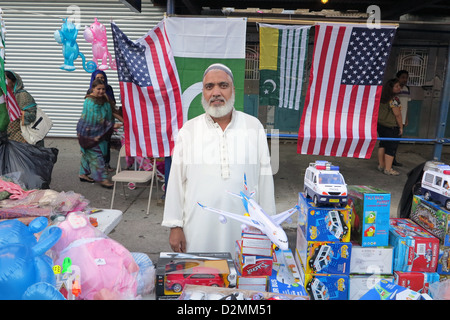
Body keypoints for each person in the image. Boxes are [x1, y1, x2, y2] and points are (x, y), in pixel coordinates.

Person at [161, 63, 276, 254]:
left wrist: (269, 223)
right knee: (202, 278)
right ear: (203, 94)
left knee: (243, 279)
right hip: (198, 228)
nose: (216, 92)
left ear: (233, 91)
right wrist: (175, 226)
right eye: (209, 87)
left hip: (246, 227)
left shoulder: (253, 126)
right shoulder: (188, 130)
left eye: (223, 85)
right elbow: (175, 182)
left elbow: (264, 180)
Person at [77, 79, 122, 188]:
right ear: (93, 89)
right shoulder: (90, 102)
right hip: (89, 134)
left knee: (88, 153)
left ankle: (83, 173)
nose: (101, 91)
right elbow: (95, 119)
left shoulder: (102, 99)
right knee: (97, 156)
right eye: (98, 89)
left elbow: (111, 110)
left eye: (103, 89)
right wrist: (111, 125)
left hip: (98, 132)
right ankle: (102, 179)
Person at [86, 70, 122, 172]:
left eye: (102, 78)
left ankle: (106, 164)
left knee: (106, 142)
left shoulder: (109, 88)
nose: (101, 80)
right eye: (98, 78)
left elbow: (113, 103)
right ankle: (94, 168)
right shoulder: (90, 92)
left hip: (109, 117)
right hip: (98, 122)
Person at [5, 71, 45, 147]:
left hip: (21, 136)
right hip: (7, 136)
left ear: (14, 82)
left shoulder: (23, 96)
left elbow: (32, 115)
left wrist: (16, 112)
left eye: (6, 78)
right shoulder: (4, 97)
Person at [377, 78, 403, 176]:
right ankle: (388, 169)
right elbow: (397, 114)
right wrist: (401, 127)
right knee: (391, 147)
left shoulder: (381, 97)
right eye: (396, 86)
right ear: (391, 88)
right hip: (391, 126)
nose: (399, 88)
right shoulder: (394, 99)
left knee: (382, 144)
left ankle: (381, 165)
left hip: (381, 124)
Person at [393, 70, 411, 167]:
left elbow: (406, 105)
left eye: (406, 77)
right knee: (391, 141)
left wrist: (406, 118)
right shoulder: (395, 88)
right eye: (403, 77)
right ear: (398, 78)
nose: (405, 80)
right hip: (395, 119)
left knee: (396, 141)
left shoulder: (407, 89)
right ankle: (389, 160)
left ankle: (393, 159)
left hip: (402, 119)